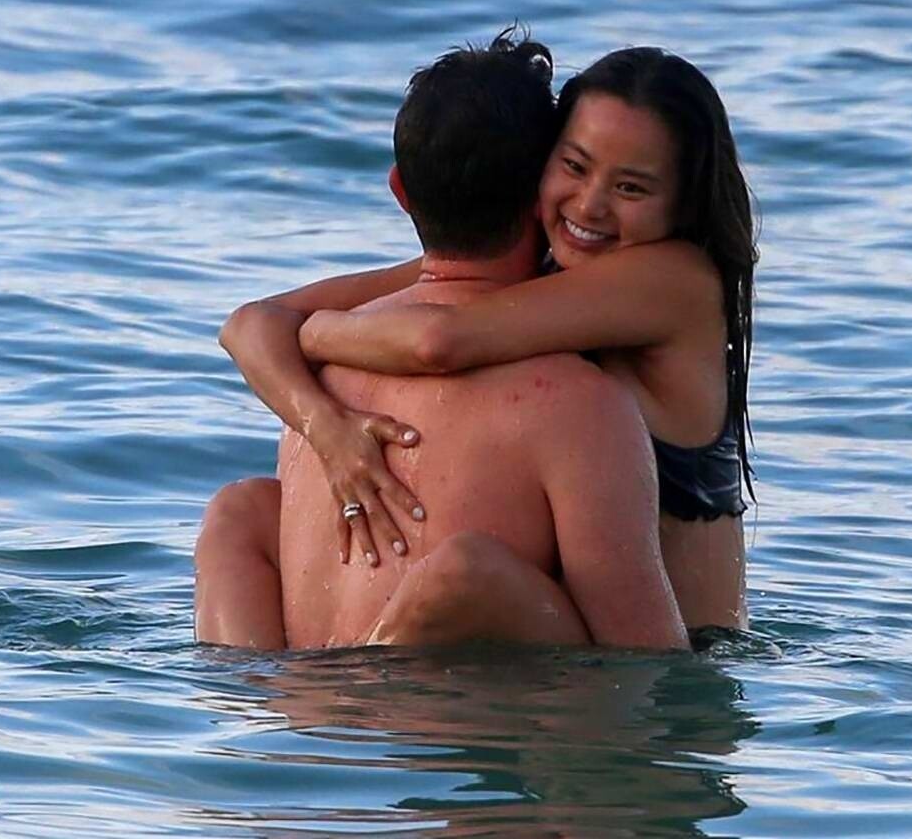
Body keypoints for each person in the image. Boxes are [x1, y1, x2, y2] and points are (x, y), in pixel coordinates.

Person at [195, 29, 688, 652]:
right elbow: (647, 660)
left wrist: (313, 360)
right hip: (444, 711)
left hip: (288, 710)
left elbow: (252, 321)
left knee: (240, 509)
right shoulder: (579, 406)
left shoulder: (315, 375)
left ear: (401, 191)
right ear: (544, 197)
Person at [293, 44, 758, 634]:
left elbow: (439, 338)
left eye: (631, 189)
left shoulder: (675, 282)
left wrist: (313, 333)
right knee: (243, 507)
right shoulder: (544, 273)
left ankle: (351, 686)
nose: (590, 204)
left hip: (681, 662)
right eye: (575, 166)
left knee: (464, 573)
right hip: (584, 649)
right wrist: (323, 425)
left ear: (683, 206)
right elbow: (251, 325)